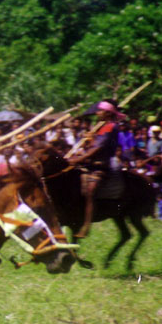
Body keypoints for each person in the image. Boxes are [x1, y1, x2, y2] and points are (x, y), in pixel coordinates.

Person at [68, 99, 125, 238]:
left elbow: (99, 147)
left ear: (107, 113)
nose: (97, 113)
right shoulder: (100, 126)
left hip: (102, 164)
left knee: (90, 191)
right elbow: (94, 144)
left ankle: (86, 225)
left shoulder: (111, 126)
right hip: (89, 163)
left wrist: (79, 159)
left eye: (99, 111)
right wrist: (89, 139)